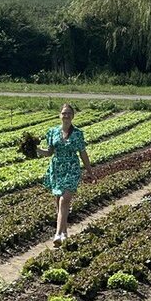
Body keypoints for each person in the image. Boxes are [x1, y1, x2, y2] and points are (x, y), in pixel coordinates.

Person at [37, 103, 93, 245]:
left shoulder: (78, 133)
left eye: (69, 113)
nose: (66, 115)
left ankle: (57, 234)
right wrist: (36, 149)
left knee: (64, 199)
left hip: (72, 168)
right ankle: (65, 232)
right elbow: (49, 152)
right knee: (59, 202)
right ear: (59, 115)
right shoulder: (52, 132)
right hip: (57, 169)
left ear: (73, 116)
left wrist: (89, 171)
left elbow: (83, 153)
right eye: (64, 113)